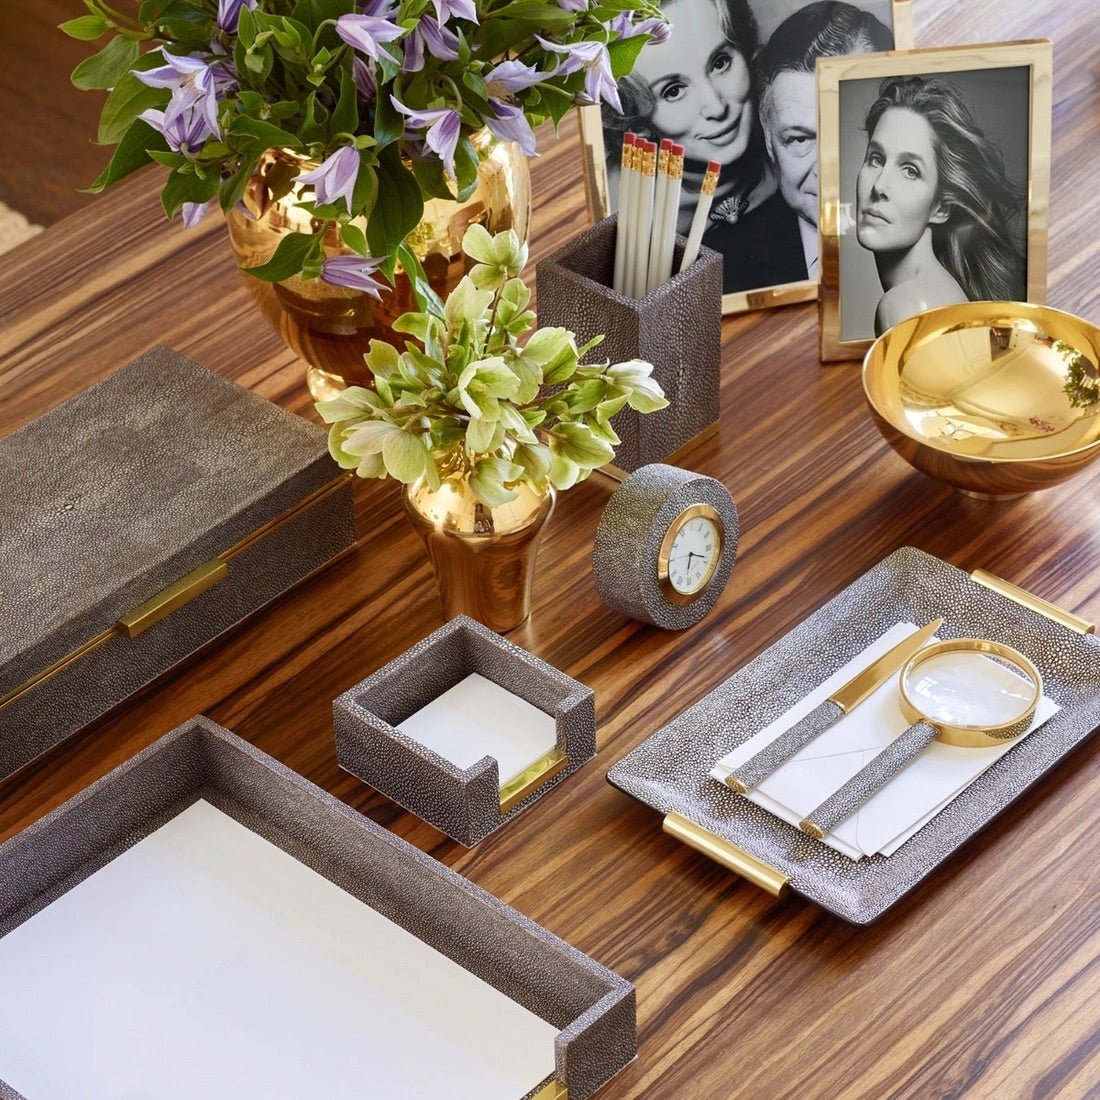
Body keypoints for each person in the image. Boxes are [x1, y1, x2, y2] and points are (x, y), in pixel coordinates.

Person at [601, 0, 779, 291]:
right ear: (636, 122)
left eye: (720, 63)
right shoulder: (619, 216)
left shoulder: (798, 144)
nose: (716, 107)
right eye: (673, 91)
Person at [856, 74, 1027, 336]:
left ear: (941, 208)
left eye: (910, 171)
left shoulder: (903, 306)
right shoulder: (939, 289)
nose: (879, 186)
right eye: (876, 159)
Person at [755, 2, 893, 281]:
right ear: (769, 141)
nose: (827, 170)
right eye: (799, 138)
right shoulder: (723, 260)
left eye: (848, 129)